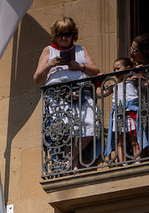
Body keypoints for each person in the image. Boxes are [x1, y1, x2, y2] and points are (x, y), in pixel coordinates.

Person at [33, 18, 101, 171]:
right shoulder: (48, 50)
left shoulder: (80, 49)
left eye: (67, 34)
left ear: (73, 35)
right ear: (54, 35)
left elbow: (96, 71)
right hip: (59, 96)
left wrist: (80, 66)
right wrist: (50, 64)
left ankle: (68, 161)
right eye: (60, 34)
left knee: (91, 124)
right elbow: (37, 78)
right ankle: (73, 166)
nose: (64, 38)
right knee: (65, 129)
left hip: (81, 94)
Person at [97, 57, 143, 164]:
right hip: (118, 114)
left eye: (118, 69)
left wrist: (139, 71)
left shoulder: (134, 81)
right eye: (114, 70)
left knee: (134, 139)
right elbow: (100, 94)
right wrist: (99, 83)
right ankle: (123, 162)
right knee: (120, 141)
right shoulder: (114, 85)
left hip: (131, 112)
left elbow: (144, 83)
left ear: (127, 68)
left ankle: (138, 160)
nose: (115, 72)